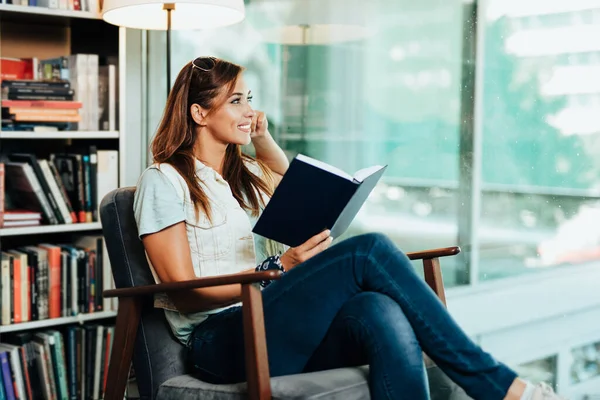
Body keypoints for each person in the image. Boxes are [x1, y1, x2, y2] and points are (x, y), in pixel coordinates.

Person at [133, 56, 566, 400]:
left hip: (272, 322)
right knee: (368, 250)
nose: (251, 110)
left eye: (250, 98)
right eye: (237, 101)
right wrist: (278, 267)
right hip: (220, 340)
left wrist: (262, 139)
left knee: (380, 310)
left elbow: (293, 189)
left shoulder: (241, 174)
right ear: (199, 112)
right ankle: (498, 387)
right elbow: (183, 288)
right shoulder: (164, 181)